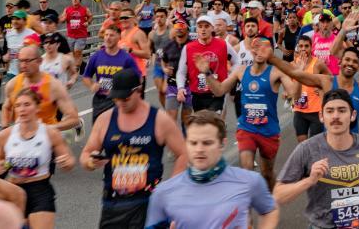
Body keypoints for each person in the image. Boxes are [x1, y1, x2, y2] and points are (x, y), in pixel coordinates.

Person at [80, 68, 186, 228]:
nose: (120, 102)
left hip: (148, 203)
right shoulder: (105, 119)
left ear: (139, 89)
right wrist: (90, 162)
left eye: (125, 98)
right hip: (113, 203)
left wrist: (170, 190)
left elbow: (184, 154)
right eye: (116, 98)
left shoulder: (159, 119)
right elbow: (86, 153)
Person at [273, 88, 359, 229]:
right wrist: (309, 181)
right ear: (321, 116)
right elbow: (278, 195)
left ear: (352, 115)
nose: (335, 116)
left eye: (341, 110)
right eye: (329, 111)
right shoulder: (307, 149)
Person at [145, 110, 279, 229]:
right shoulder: (163, 193)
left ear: (222, 144)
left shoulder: (250, 181)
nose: (199, 149)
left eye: (207, 143)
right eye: (193, 143)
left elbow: (270, 211)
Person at [197, 36, 293, 190]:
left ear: (270, 51)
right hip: (246, 128)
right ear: (251, 50)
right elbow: (220, 90)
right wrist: (207, 73)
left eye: (264, 47)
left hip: (269, 130)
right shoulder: (241, 71)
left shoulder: (276, 73)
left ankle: (271, 203)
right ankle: (246, 211)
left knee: (267, 173)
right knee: (246, 170)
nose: (259, 51)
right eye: (256, 47)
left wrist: (298, 77)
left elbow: (294, 93)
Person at [0, 88, 73, 229]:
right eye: (17, 106)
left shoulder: (51, 133)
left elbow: (69, 162)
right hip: (13, 191)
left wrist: (66, 163)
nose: (22, 109)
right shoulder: (5, 135)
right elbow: (0, 161)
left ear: (37, 107)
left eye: (27, 104)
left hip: (40, 190)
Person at [0, 46, 80, 133]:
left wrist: (46, 129)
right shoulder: (12, 84)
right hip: (22, 139)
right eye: (21, 61)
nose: (23, 65)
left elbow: (74, 119)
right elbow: (7, 107)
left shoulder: (54, 86)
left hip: (48, 140)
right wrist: (5, 128)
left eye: (27, 61)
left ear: (40, 61)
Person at [81, 26, 141, 119]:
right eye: (106, 35)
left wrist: (126, 89)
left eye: (112, 35)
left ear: (119, 37)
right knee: (99, 130)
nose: (108, 38)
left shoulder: (126, 58)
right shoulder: (96, 56)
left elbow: (138, 78)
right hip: (100, 100)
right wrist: (92, 85)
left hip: (119, 100)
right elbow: (86, 77)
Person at [62, 0, 91, 67]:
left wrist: (88, 22)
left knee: (77, 52)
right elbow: (62, 18)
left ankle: (76, 68)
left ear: (80, 0)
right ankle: (82, 64)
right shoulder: (67, 9)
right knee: (72, 53)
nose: (75, 0)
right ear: (72, 0)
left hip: (81, 35)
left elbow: (91, 16)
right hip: (70, 35)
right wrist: (63, 19)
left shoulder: (84, 9)